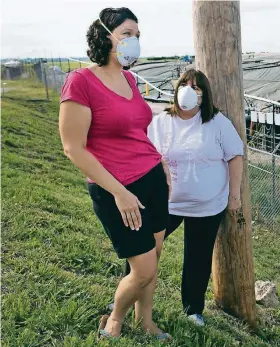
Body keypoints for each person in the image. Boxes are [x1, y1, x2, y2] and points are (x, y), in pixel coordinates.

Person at [58, 7, 171, 340]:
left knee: (155, 256)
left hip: (152, 178)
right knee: (144, 268)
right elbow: (73, 148)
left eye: (137, 35)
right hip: (116, 189)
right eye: (126, 34)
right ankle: (115, 321)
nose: (134, 41)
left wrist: (159, 160)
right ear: (104, 37)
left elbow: (134, 129)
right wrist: (120, 192)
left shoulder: (130, 78)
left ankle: (145, 322)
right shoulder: (80, 82)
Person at [146, 68, 244, 326]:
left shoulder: (216, 122)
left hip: (207, 206)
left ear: (204, 95)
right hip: (167, 202)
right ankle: (129, 293)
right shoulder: (162, 121)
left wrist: (235, 196)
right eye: (184, 84)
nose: (189, 90)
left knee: (198, 258)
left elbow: (235, 156)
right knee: (143, 246)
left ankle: (192, 310)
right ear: (176, 89)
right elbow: (146, 154)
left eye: (197, 87)